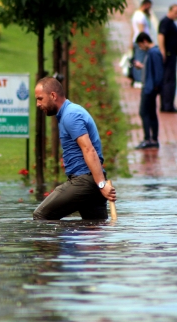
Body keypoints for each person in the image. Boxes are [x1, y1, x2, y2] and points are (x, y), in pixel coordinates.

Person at [32, 77, 116, 220]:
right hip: (92, 182)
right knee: (95, 230)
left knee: (41, 216)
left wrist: (101, 184)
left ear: (53, 95)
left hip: (85, 181)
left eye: (40, 99)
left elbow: (89, 149)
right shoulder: (69, 113)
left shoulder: (70, 115)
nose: (38, 104)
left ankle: (64, 240)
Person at [134, 32, 164, 149]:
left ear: (145, 41)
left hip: (149, 89)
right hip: (150, 87)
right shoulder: (152, 53)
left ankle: (148, 138)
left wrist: (155, 87)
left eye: (141, 45)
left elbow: (158, 72)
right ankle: (153, 139)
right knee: (151, 113)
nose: (141, 48)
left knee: (144, 112)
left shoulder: (153, 53)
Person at [158, 4, 177, 113]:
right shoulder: (166, 22)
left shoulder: (171, 23)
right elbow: (161, 36)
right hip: (168, 55)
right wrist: (162, 51)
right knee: (168, 81)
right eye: (176, 12)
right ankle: (167, 105)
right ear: (170, 11)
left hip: (172, 56)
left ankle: (168, 104)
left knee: (170, 80)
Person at [130, 0, 155, 88]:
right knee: (140, 61)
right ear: (146, 5)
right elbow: (142, 30)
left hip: (136, 40)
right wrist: (146, 42)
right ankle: (139, 80)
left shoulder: (135, 14)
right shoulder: (141, 16)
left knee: (137, 60)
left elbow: (132, 30)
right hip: (141, 41)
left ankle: (137, 79)